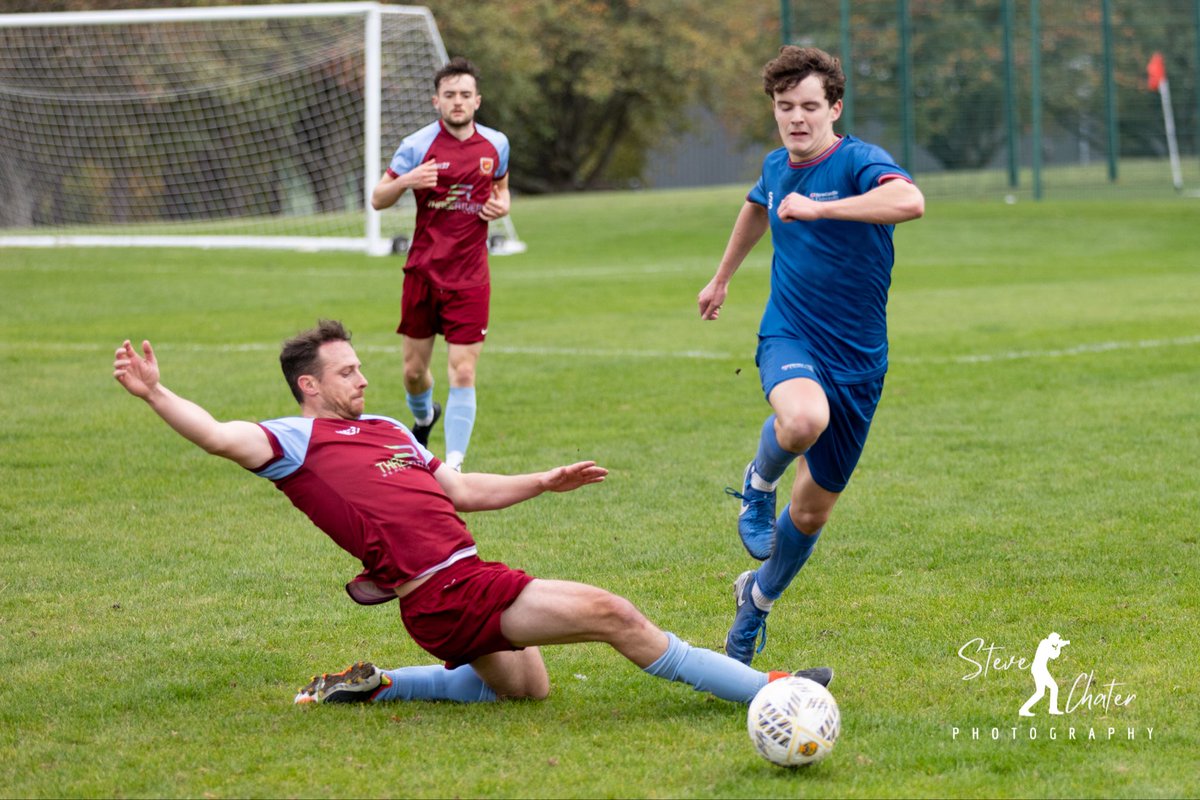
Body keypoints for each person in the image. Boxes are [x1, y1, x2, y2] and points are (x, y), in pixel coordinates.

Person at [112, 320, 832, 706]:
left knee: (526, 690)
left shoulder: (392, 429)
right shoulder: (290, 441)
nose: (364, 376)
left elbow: (460, 491)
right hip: (444, 589)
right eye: (347, 371)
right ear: (310, 385)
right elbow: (214, 435)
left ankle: (381, 684)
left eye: (361, 366)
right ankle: (771, 690)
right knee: (616, 616)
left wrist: (542, 482)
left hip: (457, 586)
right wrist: (155, 393)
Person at [697, 46, 925, 666]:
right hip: (790, 335)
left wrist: (822, 208)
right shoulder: (776, 167)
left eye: (808, 106)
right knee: (801, 421)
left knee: (812, 511)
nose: (796, 118)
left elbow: (910, 202)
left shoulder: (859, 161)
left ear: (834, 107)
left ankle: (756, 605)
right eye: (784, 106)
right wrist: (721, 279)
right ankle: (756, 482)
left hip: (859, 362)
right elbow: (756, 208)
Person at [370, 57, 511, 471]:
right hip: (422, 272)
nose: (458, 102)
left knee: (463, 370)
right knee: (414, 372)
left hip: (470, 276)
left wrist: (501, 207)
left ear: (477, 101)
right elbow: (379, 198)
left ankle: (453, 464)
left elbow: (502, 192)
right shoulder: (416, 145)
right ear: (437, 101)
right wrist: (405, 181)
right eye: (449, 95)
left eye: (465, 95)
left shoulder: (496, 145)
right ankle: (423, 416)